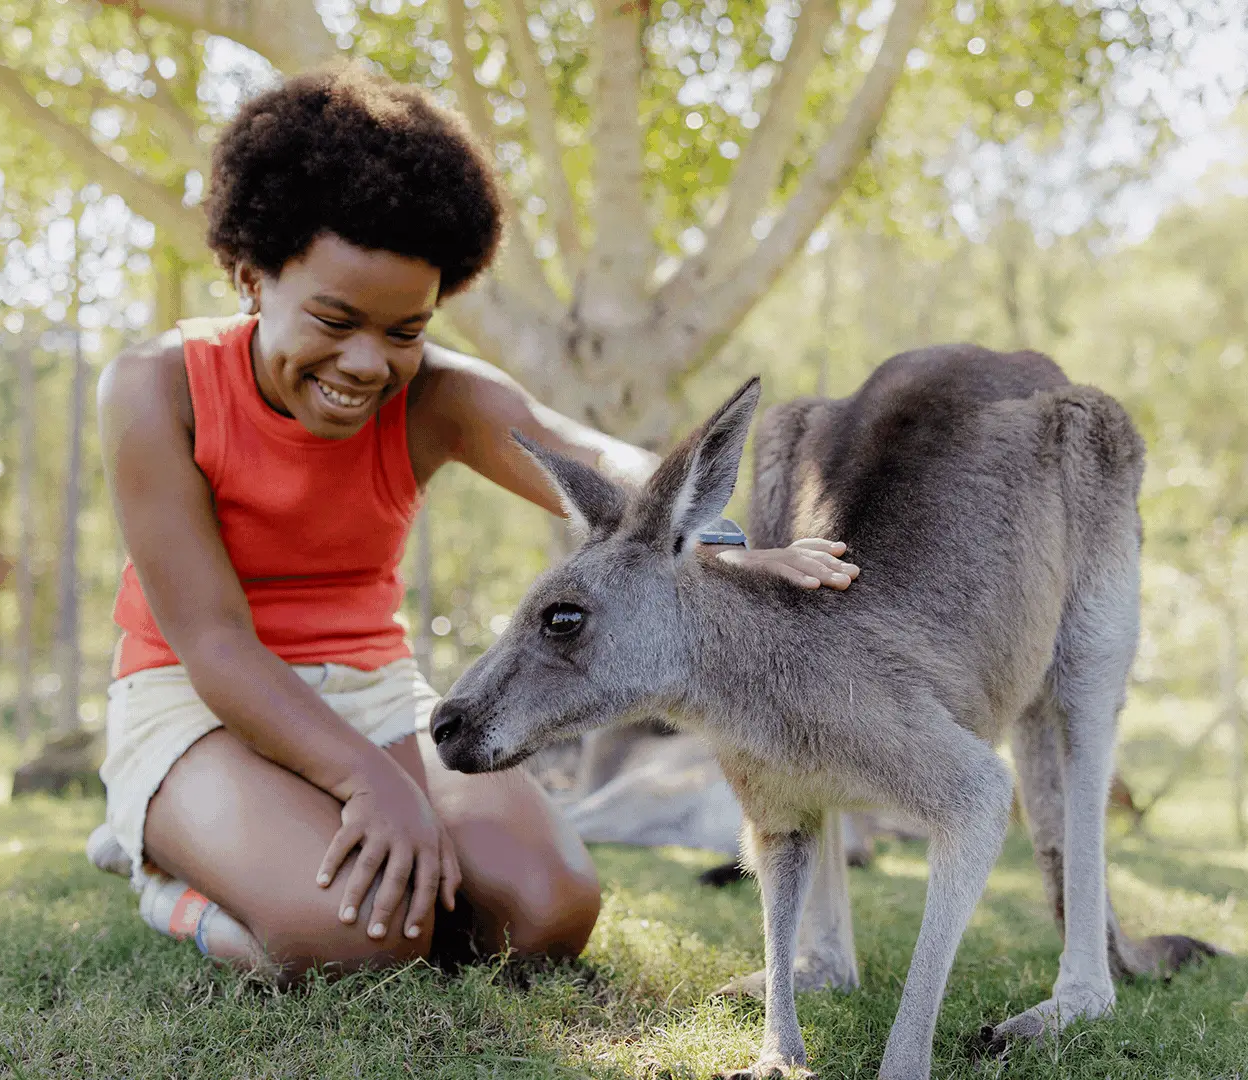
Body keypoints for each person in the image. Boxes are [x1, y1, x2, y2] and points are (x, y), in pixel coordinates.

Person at [85, 61, 859, 980]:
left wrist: (729, 545)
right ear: (251, 276)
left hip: (373, 692)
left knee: (543, 915)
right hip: (198, 700)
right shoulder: (154, 389)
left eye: (404, 330)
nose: (367, 362)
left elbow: (606, 462)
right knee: (358, 940)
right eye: (335, 319)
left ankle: (277, 842)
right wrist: (371, 783)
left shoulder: (442, 399)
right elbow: (213, 645)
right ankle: (165, 875)